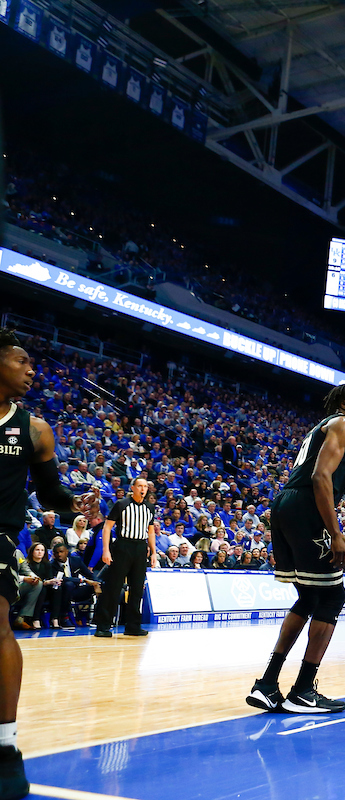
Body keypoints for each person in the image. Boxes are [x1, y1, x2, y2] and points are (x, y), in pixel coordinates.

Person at [0, 328, 101, 798]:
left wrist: (76, 510)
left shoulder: (36, 430)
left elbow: (50, 492)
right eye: (22, 361)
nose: (31, 370)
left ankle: (4, 748)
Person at [246, 384, 345, 715]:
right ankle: (302, 691)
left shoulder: (322, 426)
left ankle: (268, 685)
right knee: (333, 596)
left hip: (286, 505)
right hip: (304, 505)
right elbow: (319, 477)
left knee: (310, 597)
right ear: (344, 402)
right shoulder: (344, 424)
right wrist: (335, 534)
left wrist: (336, 533)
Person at [93, 477, 156, 638]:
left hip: (141, 548)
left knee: (137, 589)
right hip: (122, 546)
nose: (143, 488)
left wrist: (153, 552)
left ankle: (133, 626)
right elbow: (107, 528)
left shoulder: (150, 507)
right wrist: (106, 551)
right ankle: (103, 625)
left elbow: (150, 531)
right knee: (113, 587)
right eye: (140, 486)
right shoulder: (121, 504)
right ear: (133, 488)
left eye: (145, 486)